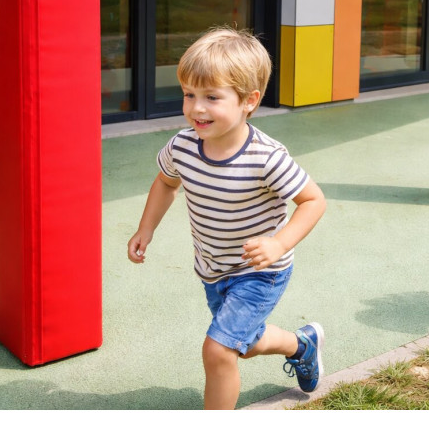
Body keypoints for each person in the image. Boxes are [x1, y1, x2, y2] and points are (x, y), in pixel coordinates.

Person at [127, 26, 327, 409]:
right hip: (213, 270)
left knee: (218, 351)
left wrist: (278, 243)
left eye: (211, 97)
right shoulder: (182, 146)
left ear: (248, 101)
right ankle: (302, 345)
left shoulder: (266, 157)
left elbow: (313, 200)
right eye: (189, 95)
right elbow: (166, 184)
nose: (196, 108)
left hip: (260, 272)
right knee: (244, 344)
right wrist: (145, 229)